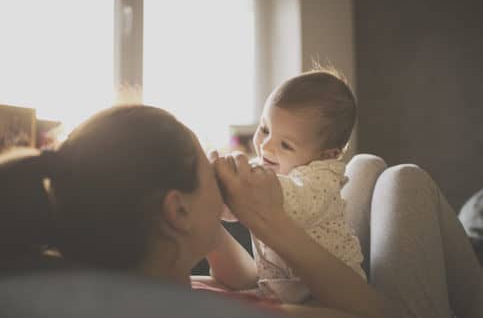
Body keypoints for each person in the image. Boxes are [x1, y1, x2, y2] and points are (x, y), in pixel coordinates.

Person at [1, 104, 481, 318]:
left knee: (366, 167)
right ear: (176, 210)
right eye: (204, 167)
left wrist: (208, 223)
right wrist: (266, 219)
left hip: (317, 280)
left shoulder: (160, 280)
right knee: (404, 180)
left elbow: (247, 280)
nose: (219, 168)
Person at [212, 68, 365, 304]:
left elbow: (291, 199)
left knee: (369, 167)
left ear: (326, 155)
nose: (266, 146)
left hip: (336, 296)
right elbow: (238, 208)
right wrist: (214, 194)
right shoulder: (266, 169)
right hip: (285, 292)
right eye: (264, 129)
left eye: (285, 145)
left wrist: (241, 184)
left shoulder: (321, 180)